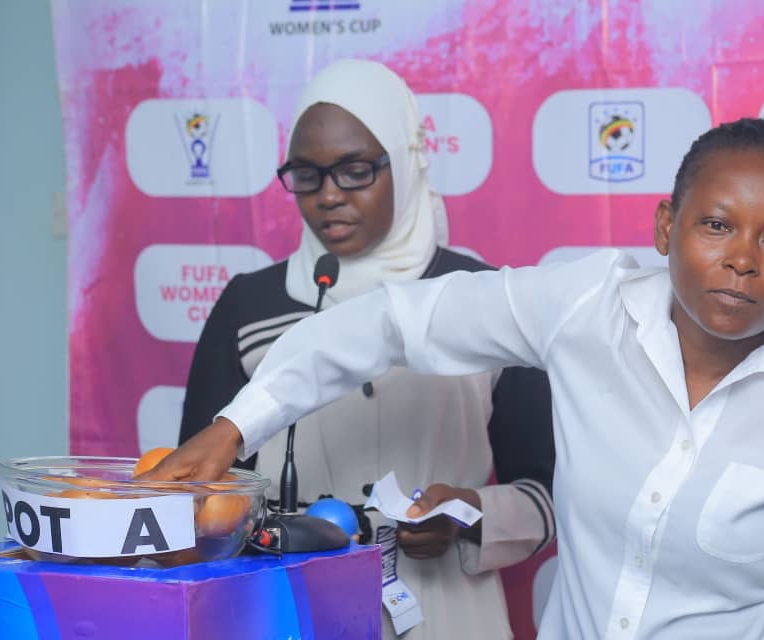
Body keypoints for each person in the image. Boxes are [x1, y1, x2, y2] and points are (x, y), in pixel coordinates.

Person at [151, 117, 764, 639]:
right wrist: (237, 424)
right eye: (715, 225)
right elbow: (391, 320)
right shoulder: (586, 308)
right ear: (664, 227)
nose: (742, 259)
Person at [176, 59, 556, 640]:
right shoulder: (248, 305)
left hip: (448, 614)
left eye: (355, 171)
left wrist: (470, 516)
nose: (329, 196)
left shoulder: (481, 302)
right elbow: (204, 482)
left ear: (404, 163)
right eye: (307, 175)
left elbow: (547, 495)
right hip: (288, 607)